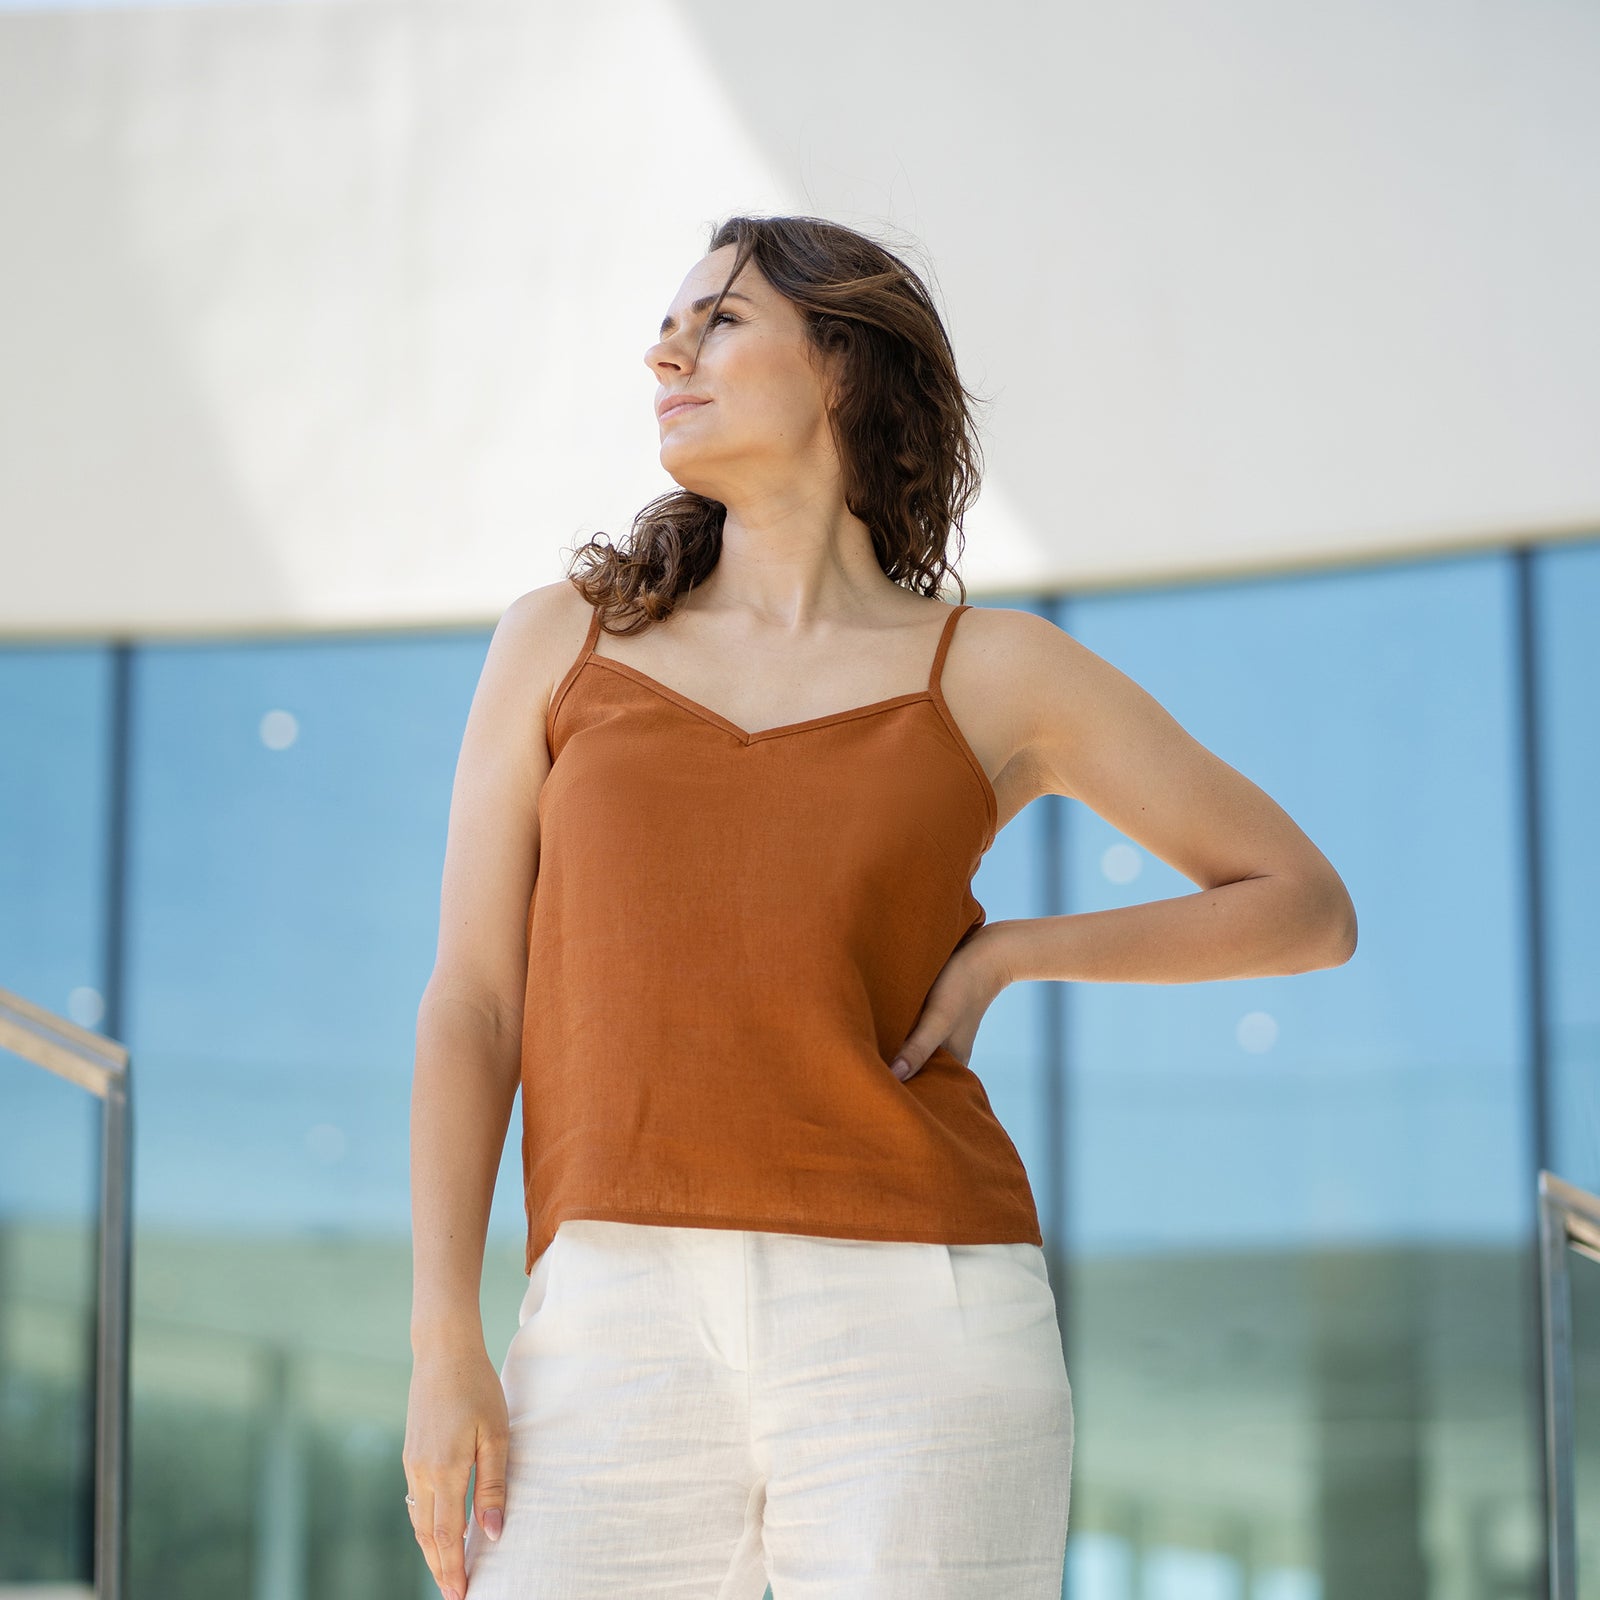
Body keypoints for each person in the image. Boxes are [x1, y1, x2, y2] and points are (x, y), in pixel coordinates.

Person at [402, 214, 1358, 1600]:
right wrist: (445, 1338)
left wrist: (1013, 956)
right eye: (673, 322)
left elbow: (1302, 903)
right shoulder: (561, 645)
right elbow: (475, 1002)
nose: (667, 346)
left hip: (925, 1316)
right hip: (610, 1315)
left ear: (842, 367)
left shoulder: (995, 672)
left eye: (720, 319)